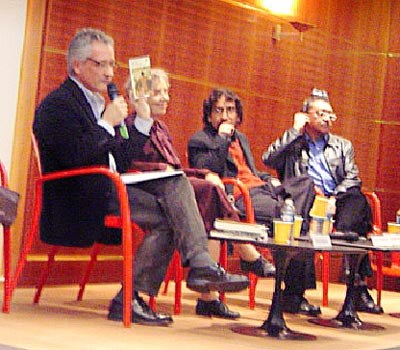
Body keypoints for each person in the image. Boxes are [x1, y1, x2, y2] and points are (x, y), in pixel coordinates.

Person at [32, 28, 249, 327]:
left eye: (112, 64)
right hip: (78, 196)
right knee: (174, 194)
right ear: (77, 65)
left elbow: (122, 156)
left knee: (174, 194)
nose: (109, 73)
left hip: (108, 187)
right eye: (101, 64)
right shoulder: (58, 105)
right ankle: (196, 265)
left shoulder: (103, 103)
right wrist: (107, 124)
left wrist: (142, 118)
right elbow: (72, 156)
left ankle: (139, 294)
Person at [123, 69, 275, 319]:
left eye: (166, 91)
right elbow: (130, 162)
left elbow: (176, 168)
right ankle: (246, 255)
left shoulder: (159, 127)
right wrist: (201, 174)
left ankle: (210, 292)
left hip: (171, 189)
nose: (165, 97)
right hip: (144, 193)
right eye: (157, 92)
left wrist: (202, 172)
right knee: (209, 192)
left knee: (208, 191)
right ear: (137, 97)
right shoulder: (129, 127)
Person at [188, 88, 320, 316]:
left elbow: (250, 170)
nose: (225, 116)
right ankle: (290, 289)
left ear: (238, 116)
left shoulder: (242, 139)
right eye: (219, 111)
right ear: (209, 116)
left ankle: (291, 235)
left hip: (259, 189)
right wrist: (221, 139)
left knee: (304, 186)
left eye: (230, 110)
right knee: (294, 222)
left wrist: (270, 180)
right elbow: (210, 170)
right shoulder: (200, 140)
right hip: (238, 196)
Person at [262, 88, 383, 314]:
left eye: (330, 114)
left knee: (359, 202)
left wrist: (334, 199)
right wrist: (294, 131)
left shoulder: (342, 145)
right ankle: (294, 294)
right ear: (306, 116)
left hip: (336, 202)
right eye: (321, 113)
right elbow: (268, 158)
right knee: (304, 217)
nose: (327, 118)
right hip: (305, 201)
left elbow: (352, 176)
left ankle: (356, 285)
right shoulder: (294, 143)